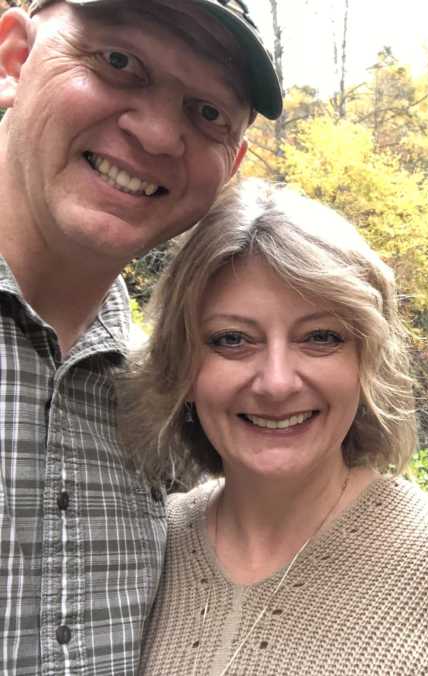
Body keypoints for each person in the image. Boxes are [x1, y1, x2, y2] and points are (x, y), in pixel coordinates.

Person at [123, 179, 428, 675]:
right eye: (231, 339)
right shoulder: (146, 543)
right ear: (182, 366)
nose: (276, 382)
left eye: (321, 337)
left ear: (366, 361)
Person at [0, 0, 282, 672]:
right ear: (13, 55)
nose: (158, 135)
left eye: (207, 112)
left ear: (231, 162)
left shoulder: (179, 400)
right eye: (119, 63)